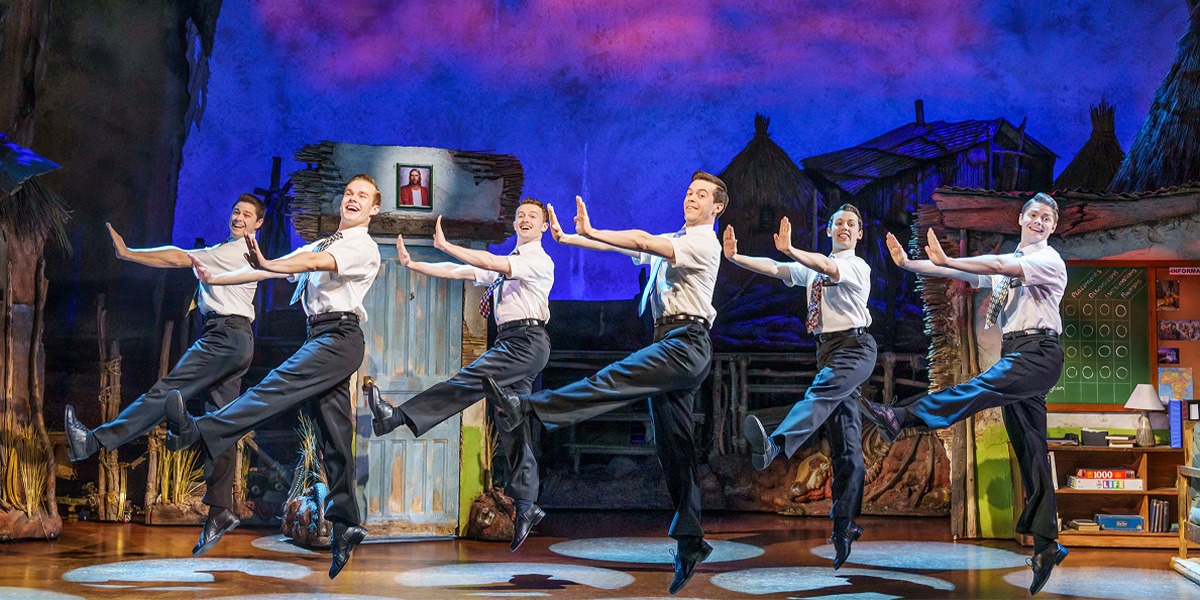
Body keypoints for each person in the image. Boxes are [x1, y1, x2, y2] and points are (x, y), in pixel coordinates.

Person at [484, 172, 726, 596]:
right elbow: (629, 248)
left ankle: (533, 408)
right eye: (689, 192)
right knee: (675, 446)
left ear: (716, 207)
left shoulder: (704, 241)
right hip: (668, 339)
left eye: (701, 195)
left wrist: (594, 228)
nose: (691, 198)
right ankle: (691, 541)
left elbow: (642, 241)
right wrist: (574, 239)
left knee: (614, 378)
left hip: (686, 342)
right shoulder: (678, 237)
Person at [167, 174, 383, 579]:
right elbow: (269, 271)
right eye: (349, 193)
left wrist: (266, 261)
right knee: (334, 436)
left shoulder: (363, 246)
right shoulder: (325, 240)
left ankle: (199, 430)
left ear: (373, 208)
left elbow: (311, 264)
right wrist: (217, 279)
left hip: (338, 337)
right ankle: (346, 524)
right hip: (320, 333)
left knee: (273, 387)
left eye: (363, 196)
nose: (353, 199)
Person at [858, 192, 1067, 595]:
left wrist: (948, 260)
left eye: (1047, 217)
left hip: (1039, 351)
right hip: (1018, 349)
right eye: (1034, 214)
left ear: (1053, 227)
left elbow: (995, 264)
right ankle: (1047, 543)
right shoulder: (1012, 265)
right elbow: (977, 275)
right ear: (1021, 218)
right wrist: (908, 264)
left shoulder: (1045, 260)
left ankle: (901, 416)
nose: (1040, 221)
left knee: (979, 387)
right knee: (1030, 447)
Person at [64, 194, 265, 556]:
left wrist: (130, 254)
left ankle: (92, 442)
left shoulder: (240, 251)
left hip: (223, 337)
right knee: (223, 424)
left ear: (258, 224)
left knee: (165, 393)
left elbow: (177, 256)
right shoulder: (230, 249)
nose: (238, 217)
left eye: (247, 214)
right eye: (235, 210)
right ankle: (220, 510)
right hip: (237, 340)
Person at [367, 198, 553, 551]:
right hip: (513, 339)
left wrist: (447, 245)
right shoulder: (510, 263)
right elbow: (463, 272)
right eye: (520, 215)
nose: (525, 219)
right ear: (514, 224)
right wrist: (415, 264)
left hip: (526, 342)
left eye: (533, 216)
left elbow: (487, 261)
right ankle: (527, 504)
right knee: (510, 421)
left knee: (470, 379)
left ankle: (397, 416)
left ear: (543, 227)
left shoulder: (537, 261)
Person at [723, 204, 876, 570]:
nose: (844, 227)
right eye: (838, 222)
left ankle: (776, 443)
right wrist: (735, 256)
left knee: (820, 394)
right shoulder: (811, 267)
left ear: (858, 234)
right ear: (828, 230)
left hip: (854, 347)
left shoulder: (856, 265)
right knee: (848, 449)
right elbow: (775, 269)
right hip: (826, 351)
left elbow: (828, 267)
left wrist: (792, 250)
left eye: (851, 224)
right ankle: (844, 525)